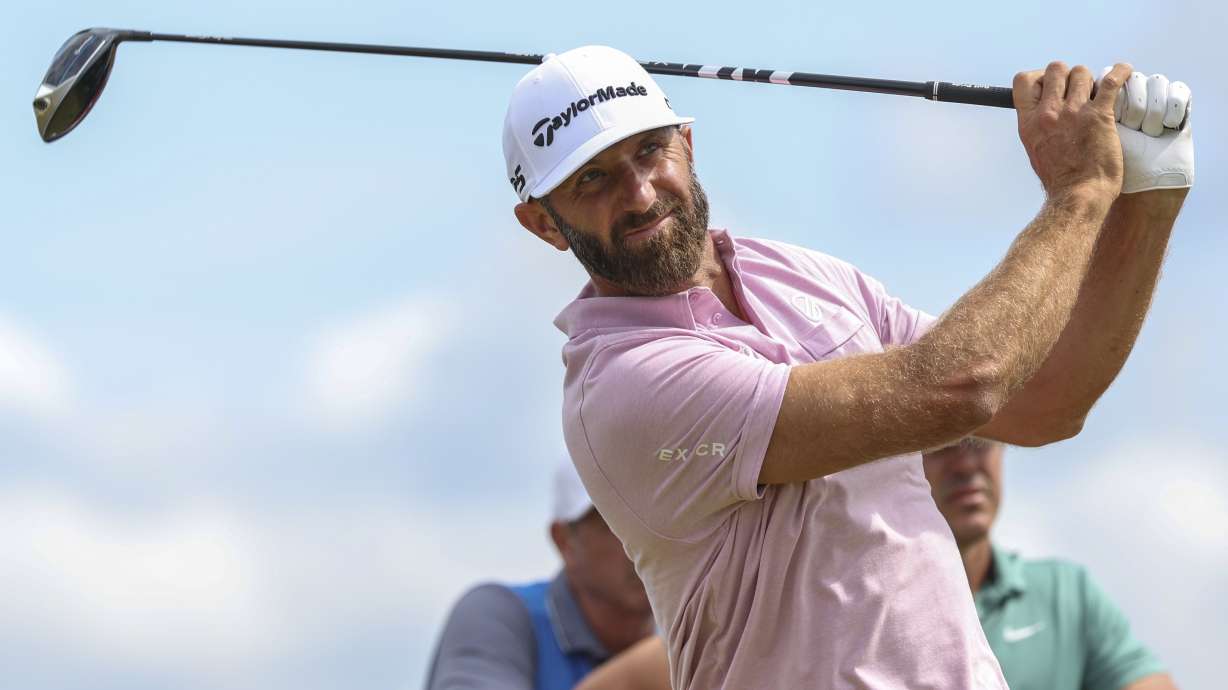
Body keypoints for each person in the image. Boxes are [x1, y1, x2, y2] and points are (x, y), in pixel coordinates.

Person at [503, 44, 1192, 689]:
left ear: (687, 143)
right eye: (594, 179)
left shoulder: (799, 272)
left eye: (650, 150)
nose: (642, 193)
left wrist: (1147, 196)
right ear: (541, 222)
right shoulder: (623, 385)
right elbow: (961, 385)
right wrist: (1078, 195)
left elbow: (1045, 403)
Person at [922, 438, 1178, 690]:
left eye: (982, 442)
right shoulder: (885, 607)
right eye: (941, 445)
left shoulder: (1068, 593)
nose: (965, 464)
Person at [424, 462, 656, 689]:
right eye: (613, 522)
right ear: (564, 541)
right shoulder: (496, 616)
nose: (643, 541)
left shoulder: (682, 636)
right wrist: (640, 676)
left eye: (656, 518)